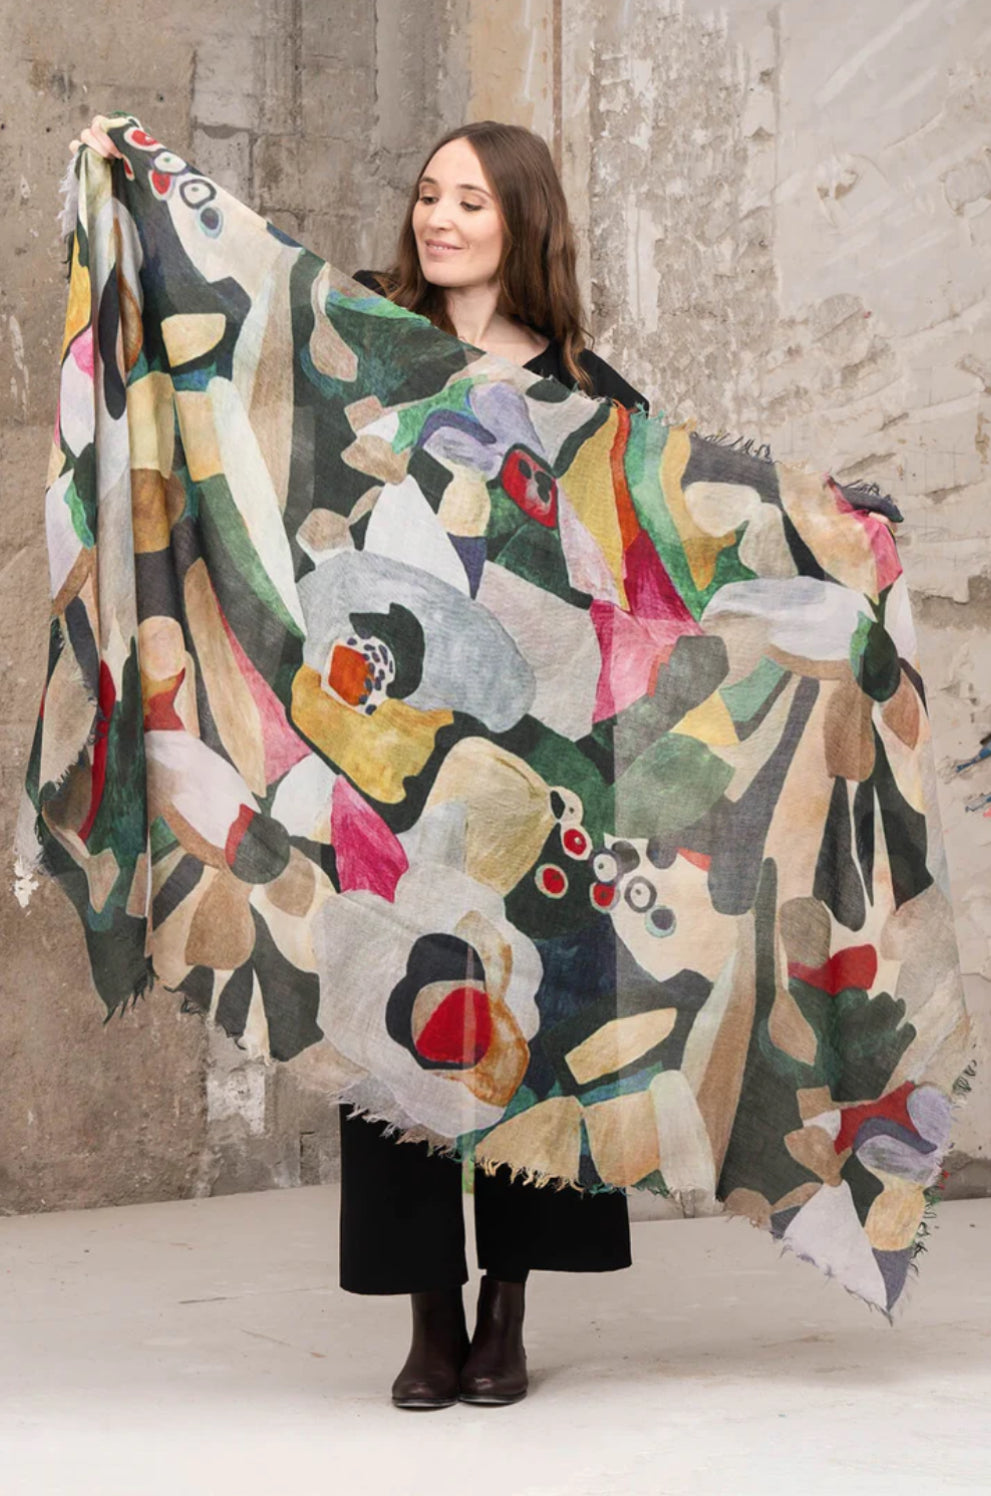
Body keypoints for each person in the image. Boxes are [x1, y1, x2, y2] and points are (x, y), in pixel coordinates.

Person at [69, 114, 649, 1413]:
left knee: (532, 1032)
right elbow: (232, 332)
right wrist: (140, 178)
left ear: (524, 222)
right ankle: (428, 1314)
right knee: (396, 1012)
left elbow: (643, 556)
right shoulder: (361, 341)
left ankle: (508, 1305)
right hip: (374, 747)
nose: (440, 218)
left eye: (471, 202)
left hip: (539, 762)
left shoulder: (590, 387)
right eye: (430, 193)